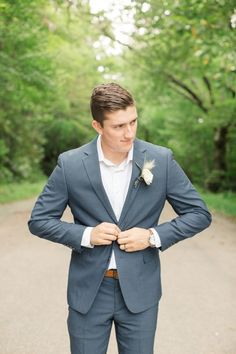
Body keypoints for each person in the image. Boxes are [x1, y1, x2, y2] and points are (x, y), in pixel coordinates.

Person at [28, 82, 212, 354]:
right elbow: (39, 220)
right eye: (118, 126)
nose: (129, 134)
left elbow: (199, 213)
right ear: (97, 126)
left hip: (140, 292)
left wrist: (152, 237)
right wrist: (86, 235)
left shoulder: (160, 159)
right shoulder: (70, 164)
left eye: (133, 122)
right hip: (89, 292)